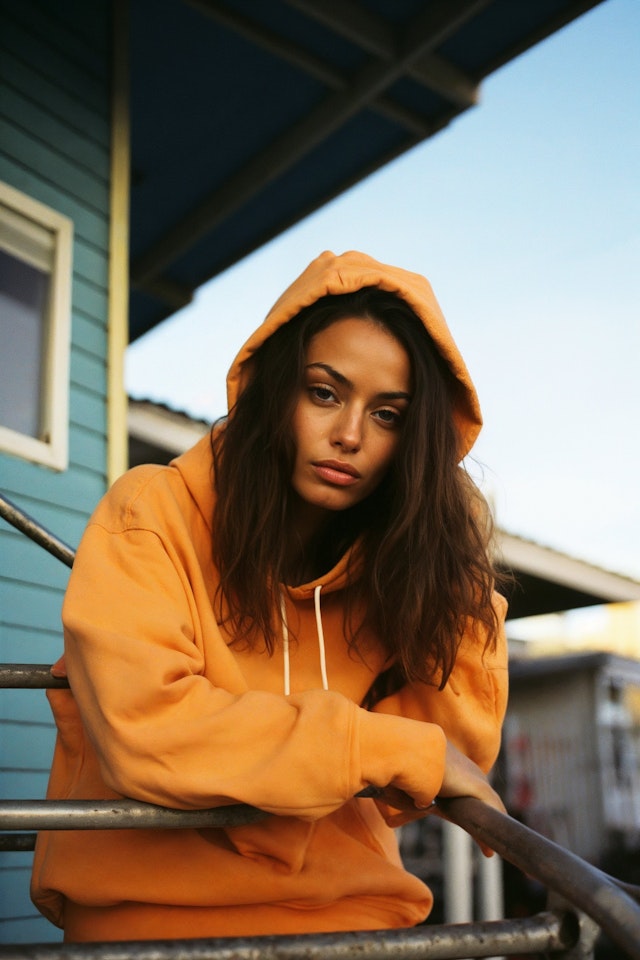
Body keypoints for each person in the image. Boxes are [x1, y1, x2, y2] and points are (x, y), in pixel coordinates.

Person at [31, 250, 508, 942]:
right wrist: (380, 750)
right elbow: (149, 731)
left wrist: (446, 529)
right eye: (324, 392)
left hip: (351, 916)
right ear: (276, 389)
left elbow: (445, 747)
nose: (349, 435)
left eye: (388, 416)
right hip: (151, 915)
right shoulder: (152, 514)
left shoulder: (392, 567)